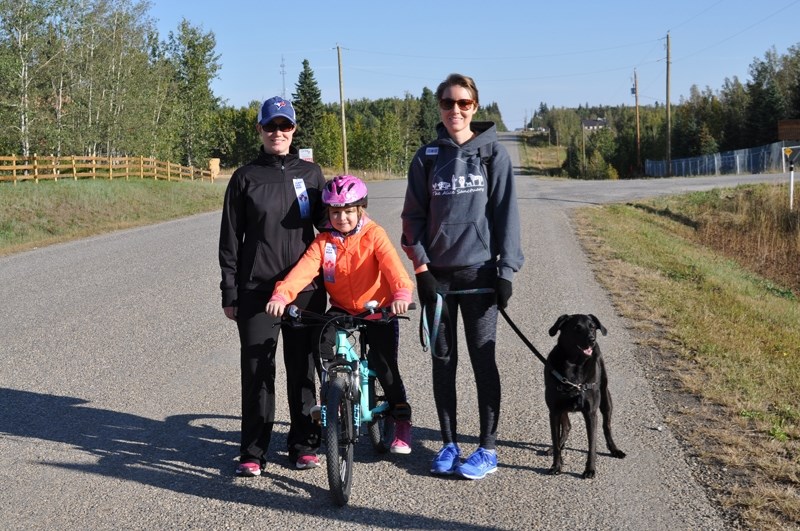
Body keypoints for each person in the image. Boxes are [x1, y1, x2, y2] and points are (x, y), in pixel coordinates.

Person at [401, 73, 524, 480]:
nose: (456, 110)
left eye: (464, 103)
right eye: (448, 103)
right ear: (439, 107)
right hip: (438, 278)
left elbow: (507, 215)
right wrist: (420, 268)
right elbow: (412, 217)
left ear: (475, 106)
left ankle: (488, 449)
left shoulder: (493, 154)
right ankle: (449, 443)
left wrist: (505, 271)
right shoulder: (427, 156)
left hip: (480, 274)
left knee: (482, 360)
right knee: (443, 361)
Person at [266, 175, 415, 454]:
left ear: (360, 210)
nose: (342, 217)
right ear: (328, 213)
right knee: (321, 341)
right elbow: (303, 271)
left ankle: (401, 420)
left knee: (385, 366)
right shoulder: (324, 242)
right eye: (335, 212)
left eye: (348, 211)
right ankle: (330, 398)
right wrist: (281, 295)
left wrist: (402, 295)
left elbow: (394, 268)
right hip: (343, 308)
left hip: (377, 308)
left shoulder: (374, 235)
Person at [219, 96, 328, 476]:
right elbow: (230, 238)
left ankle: (303, 444)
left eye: (285, 126)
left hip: (306, 290)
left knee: (303, 371)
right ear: (260, 131)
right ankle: (253, 451)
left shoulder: (311, 175)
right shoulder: (245, 177)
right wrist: (229, 291)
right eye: (270, 126)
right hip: (256, 292)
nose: (277, 133)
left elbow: (330, 232)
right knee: (257, 372)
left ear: (294, 130)